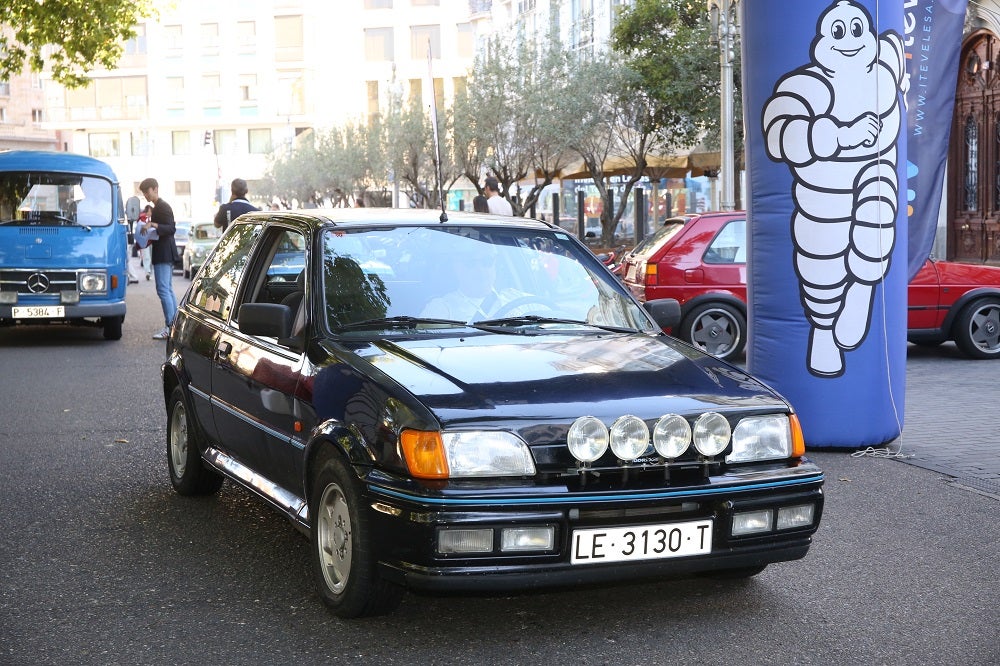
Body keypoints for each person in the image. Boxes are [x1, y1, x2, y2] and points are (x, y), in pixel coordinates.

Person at [139, 178, 181, 340]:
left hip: (164, 253)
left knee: (163, 289)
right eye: (143, 193)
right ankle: (174, 326)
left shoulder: (162, 206)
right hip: (163, 252)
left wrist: (153, 225)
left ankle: (170, 327)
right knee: (167, 289)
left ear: (155, 189)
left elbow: (171, 228)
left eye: (147, 191)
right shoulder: (158, 207)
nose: (145, 195)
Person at [137, 205, 153, 281]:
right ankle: (148, 272)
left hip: (151, 240)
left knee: (150, 257)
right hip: (145, 241)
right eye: (150, 211)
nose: (151, 213)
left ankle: (149, 272)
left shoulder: (150, 218)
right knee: (147, 257)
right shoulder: (142, 218)